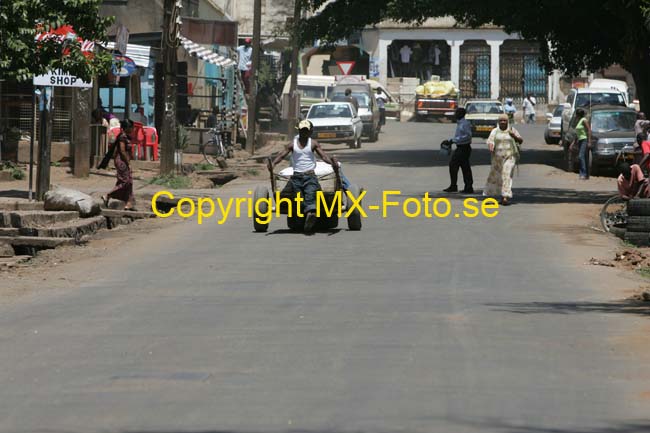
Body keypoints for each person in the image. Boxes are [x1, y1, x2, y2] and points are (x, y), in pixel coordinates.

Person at [269, 120, 339, 232]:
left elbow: (324, 157)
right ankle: (308, 215)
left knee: (310, 195)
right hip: (296, 178)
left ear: (310, 132)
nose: (304, 133)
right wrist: (272, 164)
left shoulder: (313, 144)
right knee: (299, 199)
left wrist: (332, 163)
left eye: (306, 131)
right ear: (299, 131)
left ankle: (311, 213)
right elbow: (281, 155)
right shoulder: (292, 144)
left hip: (310, 176)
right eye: (302, 131)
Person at [483, 114, 524, 206]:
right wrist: (490, 145)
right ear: (498, 122)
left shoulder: (512, 130)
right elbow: (490, 141)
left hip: (510, 157)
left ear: (507, 121)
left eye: (504, 120)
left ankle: (505, 197)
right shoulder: (495, 131)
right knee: (497, 177)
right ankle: (498, 195)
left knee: (506, 174)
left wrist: (514, 136)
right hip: (497, 158)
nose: (502, 122)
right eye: (501, 120)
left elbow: (520, 140)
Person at [102, 119, 135, 211]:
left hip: (124, 161)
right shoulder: (122, 137)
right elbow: (122, 151)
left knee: (129, 181)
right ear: (127, 128)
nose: (133, 129)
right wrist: (128, 162)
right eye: (132, 127)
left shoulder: (126, 137)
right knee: (125, 181)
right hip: (122, 162)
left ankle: (128, 202)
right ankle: (108, 195)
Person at [444, 108, 474, 194]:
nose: (455, 114)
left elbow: (468, 136)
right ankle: (466, 186)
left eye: (456, 113)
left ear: (461, 114)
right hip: (461, 147)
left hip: (464, 148)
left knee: (456, 165)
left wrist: (453, 140)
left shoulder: (464, 124)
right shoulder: (460, 123)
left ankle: (460, 186)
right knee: (463, 166)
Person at [574, 108, 592, 180]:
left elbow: (589, 130)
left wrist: (589, 141)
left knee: (581, 156)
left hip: (584, 140)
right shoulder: (579, 121)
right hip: (580, 140)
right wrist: (574, 143)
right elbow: (577, 133)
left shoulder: (584, 120)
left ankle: (584, 174)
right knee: (582, 157)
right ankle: (583, 173)